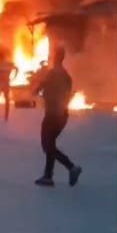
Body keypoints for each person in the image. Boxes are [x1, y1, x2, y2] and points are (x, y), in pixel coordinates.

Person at [34, 47, 82, 187]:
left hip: (52, 115)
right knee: (50, 144)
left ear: (55, 57)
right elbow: (68, 94)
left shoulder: (53, 74)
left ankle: (71, 167)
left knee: (47, 144)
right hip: (62, 115)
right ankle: (48, 176)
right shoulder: (66, 76)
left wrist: (39, 90)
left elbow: (41, 88)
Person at [0, 49, 19, 121]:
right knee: (5, 99)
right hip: (5, 82)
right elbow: (16, 68)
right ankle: (4, 115)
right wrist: (13, 77)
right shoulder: (8, 64)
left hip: (1, 83)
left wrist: (13, 77)